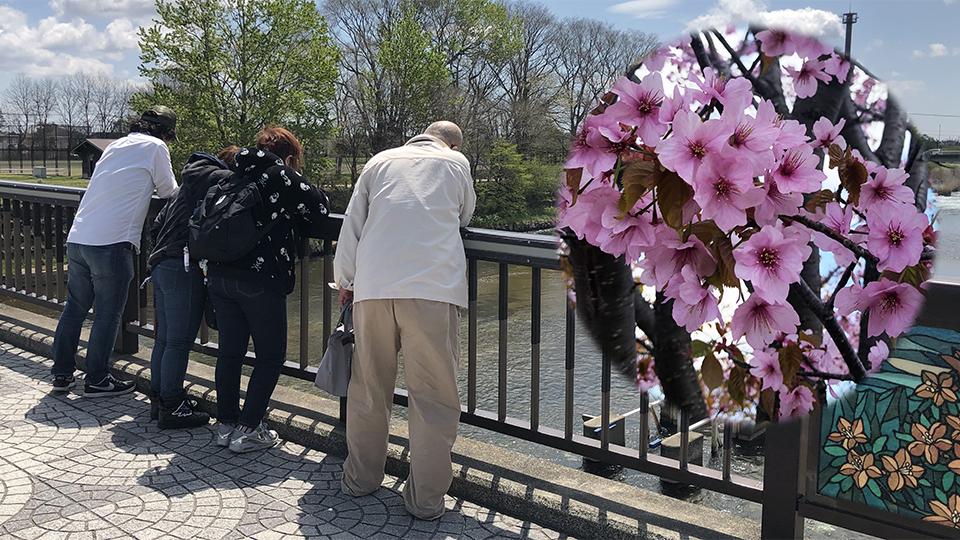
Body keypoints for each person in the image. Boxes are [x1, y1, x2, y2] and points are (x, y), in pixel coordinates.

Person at [333, 121, 476, 520]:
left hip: (373, 286)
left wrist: (345, 280)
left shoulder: (379, 161)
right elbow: (465, 215)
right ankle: (425, 501)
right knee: (432, 398)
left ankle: (360, 480)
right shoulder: (455, 162)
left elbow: (352, 225)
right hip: (432, 290)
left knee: (368, 387)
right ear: (451, 142)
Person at [207, 128, 330, 453]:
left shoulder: (234, 172)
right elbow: (320, 208)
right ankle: (249, 430)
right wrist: (291, 174)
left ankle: (226, 425)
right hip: (259, 278)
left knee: (230, 352)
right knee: (271, 355)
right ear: (290, 157)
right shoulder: (279, 173)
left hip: (220, 274)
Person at [51, 105, 179, 396]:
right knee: (108, 313)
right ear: (167, 132)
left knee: (75, 308)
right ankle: (96, 378)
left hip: (80, 236)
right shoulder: (156, 147)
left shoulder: (115, 145)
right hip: (113, 241)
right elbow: (169, 192)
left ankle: (61, 374)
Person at [146, 147, 237, 428]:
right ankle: (173, 406)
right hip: (183, 267)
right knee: (179, 341)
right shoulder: (219, 182)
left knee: (164, 338)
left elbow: (156, 226)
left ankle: (160, 400)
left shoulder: (184, 186)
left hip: (160, 264)